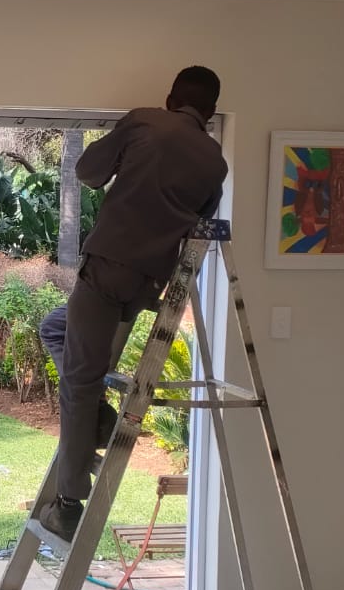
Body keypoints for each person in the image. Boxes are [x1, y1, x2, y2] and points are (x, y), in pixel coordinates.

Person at [34, 66, 228, 544]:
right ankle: (99, 414)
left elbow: (87, 172)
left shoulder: (143, 122)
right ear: (209, 111)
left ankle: (68, 503)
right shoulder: (216, 161)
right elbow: (200, 227)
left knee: (78, 382)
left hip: (106, 271)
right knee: (56, 329)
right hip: (148, 285)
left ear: (169, 99)